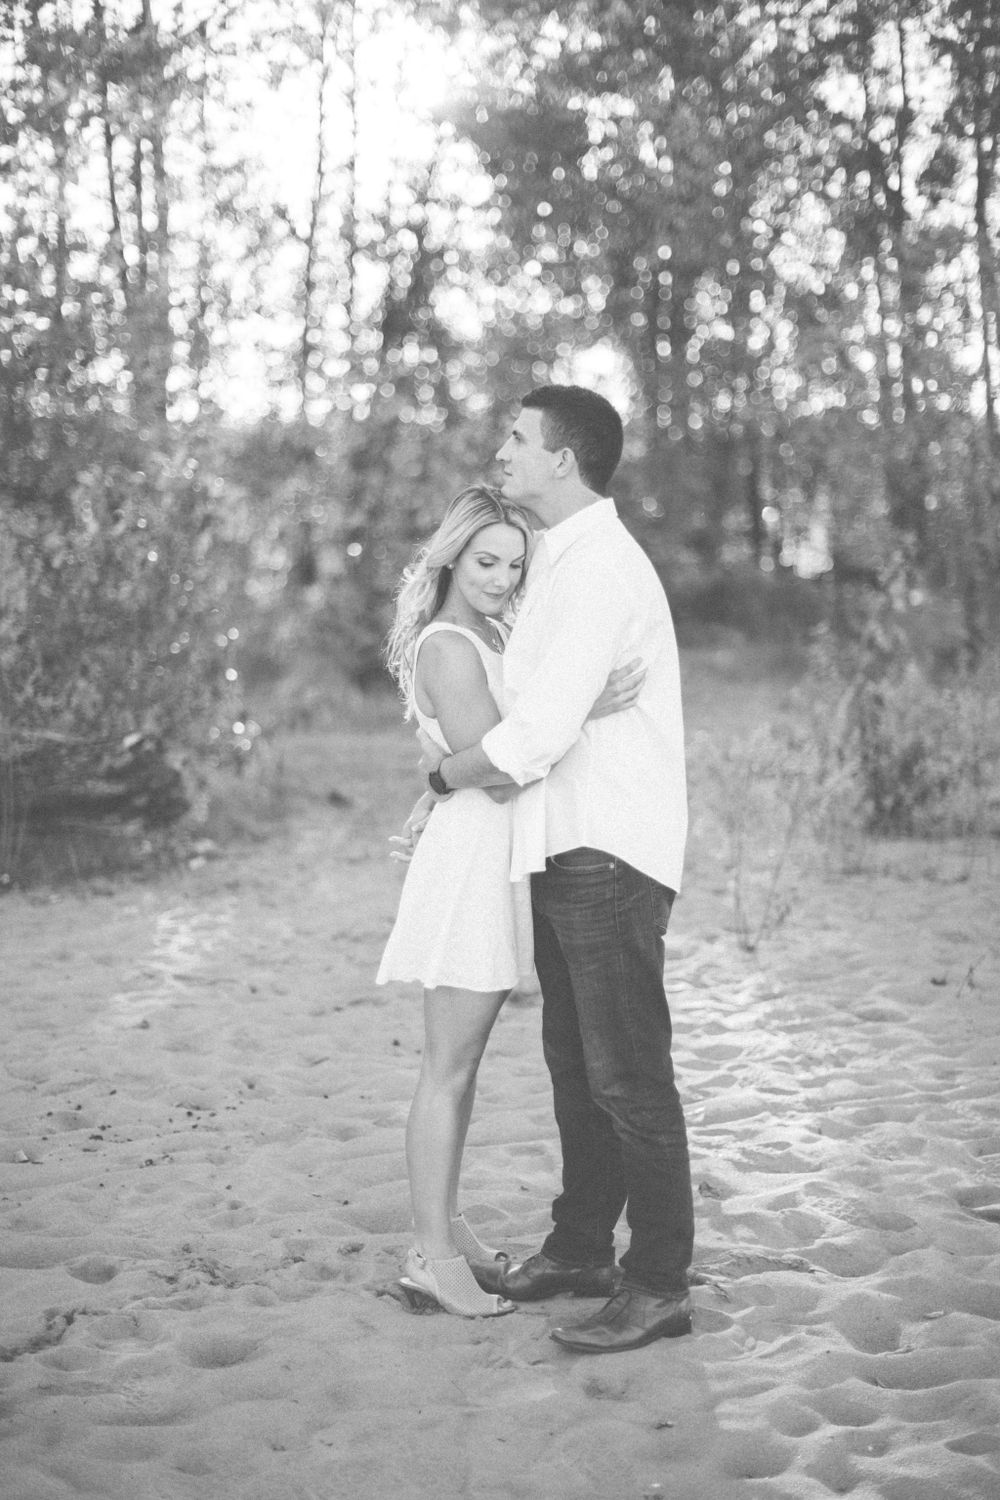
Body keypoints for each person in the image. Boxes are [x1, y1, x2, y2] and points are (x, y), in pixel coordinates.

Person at [416, 386, 695, 1353]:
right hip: (561, 843)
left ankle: (658, 1282)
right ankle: (580, 1251)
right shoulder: (558, 563)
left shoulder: (599, 569)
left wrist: (441, 777)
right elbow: (542, 705)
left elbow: (530, 736)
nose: (502, 451)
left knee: (628, 1075)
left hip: (608, 846)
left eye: (517, 437)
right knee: (577, 1070)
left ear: (563, 459)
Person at [376, 484, 640, 1318]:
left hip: (497, 863)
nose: (500, 579)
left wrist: (438, 779)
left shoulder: (495, 633)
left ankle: (448, 1227)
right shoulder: (450, 647)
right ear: (451, 557)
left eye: (514, 565)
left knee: (465, 1068)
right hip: (468, 869)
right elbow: (495, 771)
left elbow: (490, 749)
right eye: (485, 561)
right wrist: (584, 705)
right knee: (447, 1069)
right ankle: (430, 1254)